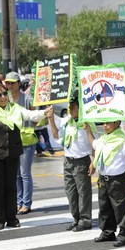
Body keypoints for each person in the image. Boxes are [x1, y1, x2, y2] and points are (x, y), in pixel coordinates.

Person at [0, 83, 52, 230]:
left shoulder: (15, 108)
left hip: (12, 153)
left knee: (11, 187)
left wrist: (44, 112)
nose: (3, 97)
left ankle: (11, 218)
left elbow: (30, 115)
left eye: (5, 94)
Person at [47, 90, 95, 232]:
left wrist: (93, 162)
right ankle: (76, 218)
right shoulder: (68, 122)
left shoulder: (86, 124)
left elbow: (93, 145)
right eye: (70, 107)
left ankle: (85, 220)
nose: (70, 109)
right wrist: (50, 119)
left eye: (73, 107)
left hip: (81, 161)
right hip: (68, 161)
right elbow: (56, 136)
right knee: (70, 192)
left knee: (83, 192)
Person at [84, 120, 125, 247]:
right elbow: (94, 145)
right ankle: (108, 232)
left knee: (121, 208)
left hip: (117, 179)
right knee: (105, 207)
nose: (104, 126)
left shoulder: (121, 139)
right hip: (103, 178)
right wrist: (88, 131)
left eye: (108, 123)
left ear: (117, 123)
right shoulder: (103, 138)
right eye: (103, 123)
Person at [4, 72, 37, 215]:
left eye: (12, 83)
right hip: (11, 141)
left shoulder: (27, 99)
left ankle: (26, 203)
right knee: (16, 174)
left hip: (26, 141)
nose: (9, 86)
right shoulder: (6, 99)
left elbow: (36, 117)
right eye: (8, 83)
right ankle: (18, 202)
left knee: (24, 173)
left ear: (18, 83)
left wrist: (31, 127)